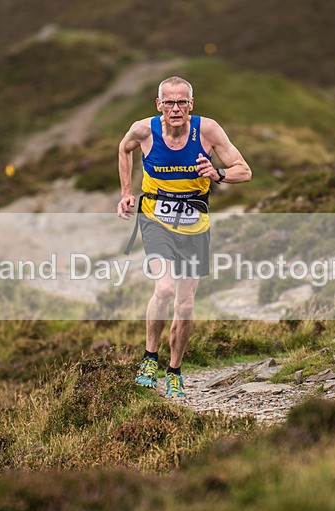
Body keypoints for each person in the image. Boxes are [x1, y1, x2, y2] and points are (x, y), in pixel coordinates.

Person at [117, 76, 251, 398]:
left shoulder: (207, 131)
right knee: (163, 288)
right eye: (169, 102)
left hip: (194, 224)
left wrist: (217, 174)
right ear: (158, 105)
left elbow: (244, 171)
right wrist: (125, 192)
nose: (175, 109)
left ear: (191, 104)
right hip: (155, 219)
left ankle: (174, 369)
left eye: (181, 102)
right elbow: (124, 149)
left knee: (186, 306)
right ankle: (150, 358)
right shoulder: (144, 130)